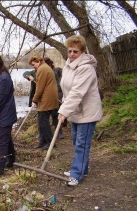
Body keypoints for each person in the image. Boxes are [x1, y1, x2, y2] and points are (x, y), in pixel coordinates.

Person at [58, 35, 103, 186]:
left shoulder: (86, 68)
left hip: (87, 112)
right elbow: (67, 91)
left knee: (82, 144)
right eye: (70, 51)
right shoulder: (68, 66)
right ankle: (82, 168)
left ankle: (77, 174)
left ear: (82, 52)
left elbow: (77, 92)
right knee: (77, 142)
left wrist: (64, 110)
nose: (71, 54)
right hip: (75, 111)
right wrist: (64, 108)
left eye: (75, 51)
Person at [29, 55, 59, 150]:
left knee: (43, 122)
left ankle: (50, 142)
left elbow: (39, 87)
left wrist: (34, 99)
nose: (33, 67)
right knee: (41, 121)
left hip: (46, 98)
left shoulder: (42, 69)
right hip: (48, 97)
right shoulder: (45, 67)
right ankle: (42, 142)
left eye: (33, 65)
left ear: (38, 61)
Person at [43, 56, 65, 139]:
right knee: (44, 118)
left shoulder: (54, 73)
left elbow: (59, 87)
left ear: (49, 64)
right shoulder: (40, 72)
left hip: (53, 98)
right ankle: (44, 134)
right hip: (44, 99)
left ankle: (59, 133)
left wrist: (52, 92)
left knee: (55, 115)